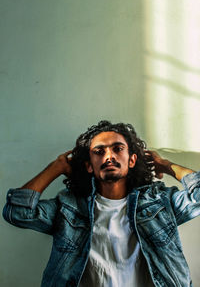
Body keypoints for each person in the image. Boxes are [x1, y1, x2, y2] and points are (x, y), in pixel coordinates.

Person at [2, 120, 200, 287]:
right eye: (99, 151)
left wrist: (166, 166)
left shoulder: (158, 202)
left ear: (132, 160)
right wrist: (56, 168)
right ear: (89, 165)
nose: (109, 156)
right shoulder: (69, 207)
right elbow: (17, 212)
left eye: (117, 149)